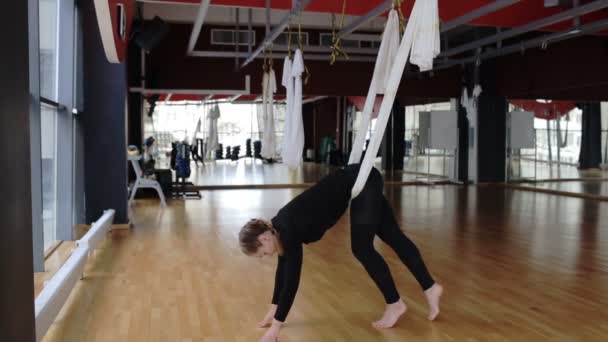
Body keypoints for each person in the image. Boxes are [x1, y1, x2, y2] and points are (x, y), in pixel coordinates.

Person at [239, 164, 443, 342]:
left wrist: (276, 328)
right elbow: (282, 273)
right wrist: (273, 308)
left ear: (264, 238)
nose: (265, 257)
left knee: (362, 247)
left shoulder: (288, 230)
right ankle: (430, 287)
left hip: (361, 180)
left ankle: (395, 303)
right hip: (360, 179)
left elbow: (291, 282)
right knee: (392, 236)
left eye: (262, 254)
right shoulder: (279, 229)